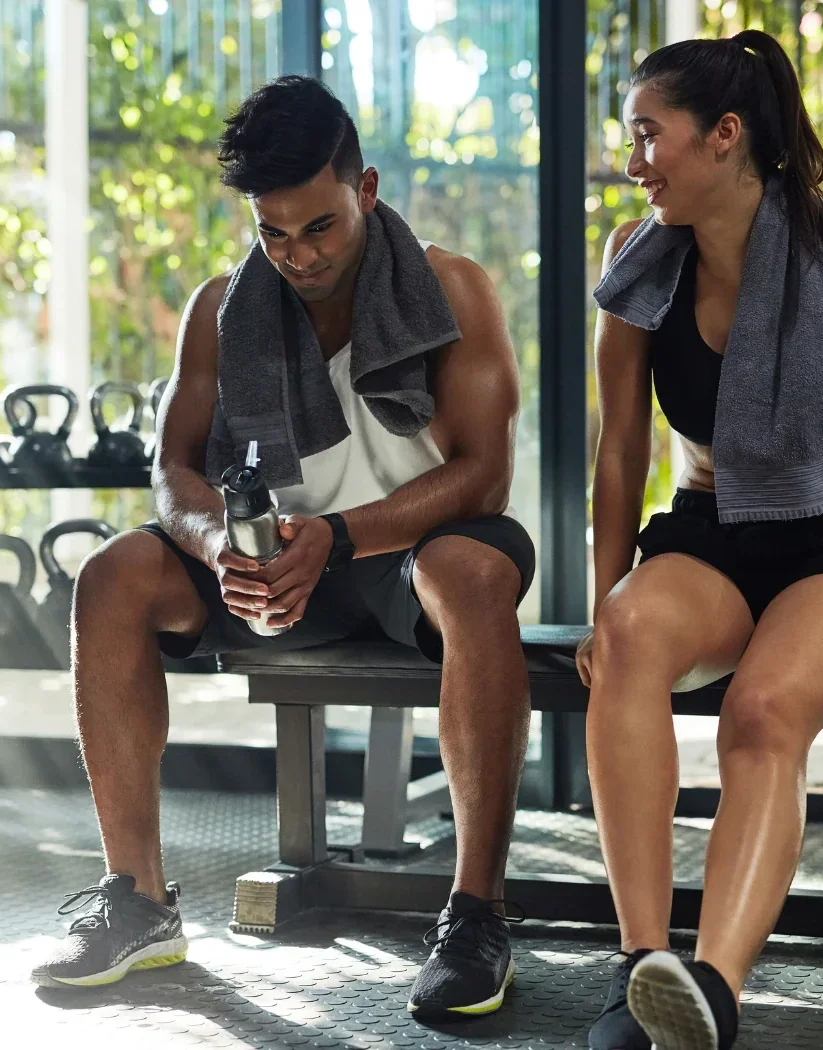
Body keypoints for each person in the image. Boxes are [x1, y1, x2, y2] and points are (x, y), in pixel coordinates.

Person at [31, 76, 535, 1021]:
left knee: (474, 570)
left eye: (320, 227)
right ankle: (137, 902)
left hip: (410, 556)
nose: (298, 254)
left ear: (366, 190)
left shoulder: (451, 286)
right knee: (110, 576)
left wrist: (340, 538)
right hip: (272, 560)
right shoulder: (222, 307)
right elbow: (173, 469)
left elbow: (485, 476)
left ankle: (476, 916)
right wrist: (220, 544)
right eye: (273, 232)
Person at [580, 29, 823, 1050]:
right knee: (627, 638)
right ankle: (640, 970)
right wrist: (604, 601)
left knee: (761, 714)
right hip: (705, 534)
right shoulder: (637, 258)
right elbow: (620, 451)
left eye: (648, 135)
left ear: (724, 135)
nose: (633, 161)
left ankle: (713, 991)